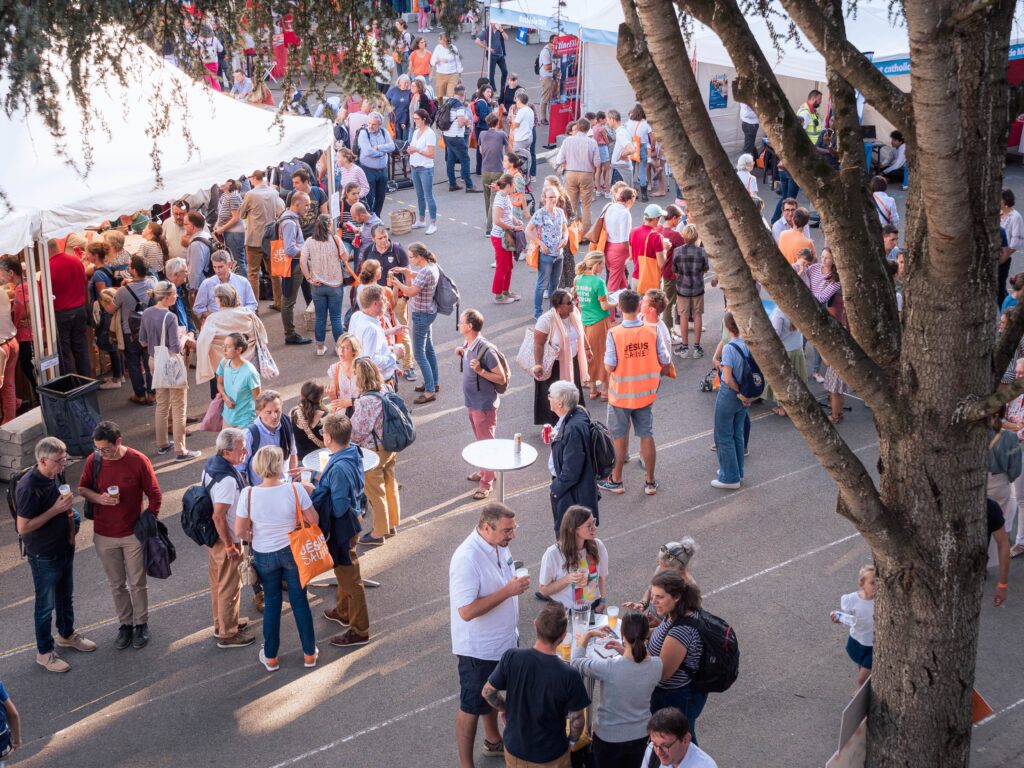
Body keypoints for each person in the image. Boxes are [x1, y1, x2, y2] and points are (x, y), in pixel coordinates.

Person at [449, 503, 528, 768]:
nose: (512, 535)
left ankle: (493, 740)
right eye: (507, 530)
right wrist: (508, 591)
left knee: (490, 694)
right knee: (471, 705)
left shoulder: (499, 545)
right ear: (486, 527)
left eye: (513, 529)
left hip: (505, 640)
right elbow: (467, 611)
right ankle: (466, 764)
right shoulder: (466, 558)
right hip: (479, 649)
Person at [78, 421, 162, 651]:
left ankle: (141, 624)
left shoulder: (137, 460)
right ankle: (125, 624)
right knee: (116, 584)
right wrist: (99, 498)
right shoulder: (93, 461)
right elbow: (82, 488)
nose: (100, 453)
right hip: (103, 534)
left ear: (119, 441)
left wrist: (148, 520)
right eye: (97, 448)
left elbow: (154, 494)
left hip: (132, 533)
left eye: (105, 448)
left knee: (137, 583)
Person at [16, 437, 97, 672]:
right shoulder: (29, 487)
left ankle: (67, 634)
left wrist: (72, 531)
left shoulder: (54, 475)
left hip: (63, 547)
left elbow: (64, 509)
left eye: (65, 459)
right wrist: (55, 510)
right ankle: (44, 652)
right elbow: (24, 527)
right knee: (45, 605)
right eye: (60, 460)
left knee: (65, 596)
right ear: (43, 460)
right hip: (44, 555)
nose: (64, 464)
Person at [234, 446, 318, 671]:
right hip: (292, 551)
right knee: (300, 602)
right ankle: (309, 653)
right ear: (279, 465)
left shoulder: (248, 494)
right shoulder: (295, 490)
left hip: (264, 555)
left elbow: (240, 530)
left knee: (272, 603)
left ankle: (271, 656)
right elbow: (314, 519)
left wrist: (257, 533)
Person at [482, 602, 590, 767]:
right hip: (550, 756)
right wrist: (572, 742)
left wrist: (504, 708)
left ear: (535, 624)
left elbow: (488, 692)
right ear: (562, 636)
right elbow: (577, 720)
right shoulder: (569, 675)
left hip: (514, 750)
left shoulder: (511, 657)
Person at [571, 610, 663, 768]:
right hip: (641, 735)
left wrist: (587, 635)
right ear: (647, 633)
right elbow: (637, 663)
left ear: (622, 634)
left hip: (608, 738)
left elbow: (576, 663)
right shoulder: (657, 665)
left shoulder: (609, 667)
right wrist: (623, 650)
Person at [600, 289, 670, 496]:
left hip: (621, 395)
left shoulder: (614, 333)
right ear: (639, 307)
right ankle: (650, 482)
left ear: (620, 309)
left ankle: (617, 480)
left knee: (619, 438)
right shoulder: (652, 330)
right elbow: (665, 360)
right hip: (645, 395)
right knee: (646, 436)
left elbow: (610, 366)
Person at [312, 412, 372, 648]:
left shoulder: (337, 468)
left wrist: (315, 489)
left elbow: (337, 508)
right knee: (343, 571)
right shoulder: (353, 451)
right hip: (355, 519)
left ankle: (360, 630)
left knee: (350, 579)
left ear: (328, 438)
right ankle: (344, 611)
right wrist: (317, 477)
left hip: (343, 528)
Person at [201, 428, 255, 648]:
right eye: (241, 449)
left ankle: (222, 623)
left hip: (211, 539)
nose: (246, 452)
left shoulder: (211, 466)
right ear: (226, 452)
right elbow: (219, 515)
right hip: (225, 541)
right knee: (229, 587)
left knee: (218, 584)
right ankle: (228, 634)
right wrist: (230, 546)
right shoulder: (227, 480)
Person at [138, 281, 200, 460]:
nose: (177, 296)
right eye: (174, 294)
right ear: (166, 297)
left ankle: (162, 444)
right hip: (171, 363)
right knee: (179, 406)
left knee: (162, 404)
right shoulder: (170, 317)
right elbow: (174, 347)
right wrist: (186, 337)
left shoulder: (147, 313)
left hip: (154, 360)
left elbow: (142, 341)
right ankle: (181, 450)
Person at [646, 571, 707, 741]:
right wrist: (648, 632)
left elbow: (662, 673)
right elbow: (663, 635)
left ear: (677, 597)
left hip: (672, 697)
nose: (653, 601)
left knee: (680, 742)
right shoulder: (675, 613)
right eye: (652, 595)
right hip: (672, 695)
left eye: (659, 596)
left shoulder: (681, 631)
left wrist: (630, 650)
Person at [349, 358, 401, 546]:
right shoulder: (386, 389)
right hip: (391, 445)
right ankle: (392, 523)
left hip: (373, 451)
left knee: (375, 491)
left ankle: (379, 532)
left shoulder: (365, 402)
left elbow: (357, 431)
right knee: (390, 485)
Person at [457, 309, 507, 501]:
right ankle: (484, 470)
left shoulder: (487, 350)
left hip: (484, 405)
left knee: (486, 444)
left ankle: (487, 482)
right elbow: (469, 354)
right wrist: (462, 352)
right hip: (473, 402)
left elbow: (500, 377)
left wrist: (480, 371)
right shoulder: (470, 344)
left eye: (461, 322)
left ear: (469, 327)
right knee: (480, 440)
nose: (459, 325)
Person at [547, 381, 600, 535]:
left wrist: (555, 489)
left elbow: (571, 470)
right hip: (576, 489)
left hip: (571, 493)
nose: (548, 398)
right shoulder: (577, 413)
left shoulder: (572, 429)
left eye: (550, 396)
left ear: (560, 403)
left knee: (568, 536)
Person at [533, 290, 590, 426]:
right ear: (558, 306)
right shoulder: (546, 320)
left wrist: (587, 348)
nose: (573, 304)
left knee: (572, 393)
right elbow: (538, 343)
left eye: (573, 300)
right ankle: (556, 427)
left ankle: (575, 422)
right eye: (569, 302)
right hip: (555, 366)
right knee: (557, 397)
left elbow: (580, 332)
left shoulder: (574, 313)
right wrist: (538, 365)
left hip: (572, 361)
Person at [392, 243, 441, 404]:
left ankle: (429, 391)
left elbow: (412, 291)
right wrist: (408, 272)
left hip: (421, 315)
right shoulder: (431, 267)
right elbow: (420, 279)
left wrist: (397, 283)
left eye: (411, 256)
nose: (410, 259)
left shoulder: (426, 271)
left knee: (419, 353)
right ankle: (433, 382)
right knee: (429, 349)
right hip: (429, 311)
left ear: (419, 256)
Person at [539, 505, 607, 608]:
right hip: (565, 611)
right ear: (574, 529)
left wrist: (602, 601)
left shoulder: (597, 545)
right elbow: (544, 589)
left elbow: (601, 576)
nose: (594, 528)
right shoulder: (553, 554)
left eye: (594, 522)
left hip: (593, 607)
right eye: (589, 525)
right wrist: (568, 579)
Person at [712, 312, 751, 489]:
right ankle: (737, 471)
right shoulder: (748, 344)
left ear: (729, 327)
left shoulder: (729, 348)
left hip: (730, 394)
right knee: (737, 433)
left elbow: (727, 378)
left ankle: (729, 477)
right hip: (744, 393)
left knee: (723, 435)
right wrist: (745, 395)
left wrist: (738, 392)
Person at [299, 214, 346, 356]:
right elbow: (345, 257)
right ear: (329, 225)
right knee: (336, 318)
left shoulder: (309, 241)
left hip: (317, 285)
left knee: (320, 317)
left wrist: (308, 278)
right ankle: (339, 348)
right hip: (335, 284)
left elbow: (302, 261)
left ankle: (320, 347)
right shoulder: (335, 239)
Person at [113, 256, 157, 406]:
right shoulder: (153, 283)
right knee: (149, 361)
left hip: (129, 331)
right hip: (149, 329)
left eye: (130, 266)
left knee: (133, 363)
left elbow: (111, 308)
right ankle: (152, 393)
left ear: (134, 271)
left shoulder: (123, 291)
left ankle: (139, 394)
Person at [239, 169, 285, 307]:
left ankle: (255, 306)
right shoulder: (274, 192)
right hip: (271, 237)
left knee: (253, 273)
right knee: (275, 273)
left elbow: (241, 214)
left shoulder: (250, 194)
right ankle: (279, 302)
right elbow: (279, 211)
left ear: (254, 178)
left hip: (254, 238)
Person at [48, 239, 93, 377]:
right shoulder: (75, 261)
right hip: (80, 309)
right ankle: (87, 380)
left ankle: (72, 385)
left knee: (64, 352)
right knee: (81, 348)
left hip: (62, 313)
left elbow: (46, 294)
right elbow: (84, 282)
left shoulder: (49, 267)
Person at [526, 187, 569, 319]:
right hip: (545, 255)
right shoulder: (540, 213)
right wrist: (541, 244)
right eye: (550, 197)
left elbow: (565, 229)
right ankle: (538, 313)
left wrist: (565, 238)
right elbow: (528, 230)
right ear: (544, 198)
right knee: (542, 285)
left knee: (554, 285)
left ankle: (552, 311)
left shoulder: (560, 212)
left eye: (555, 197)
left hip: (558, 254)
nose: (553, 200)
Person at [241, 390, 299, 487]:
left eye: (277, 411)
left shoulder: (287, 424)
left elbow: (293, 454)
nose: (274, 416)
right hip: (260, 491)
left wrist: (292, 481)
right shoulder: (249, 435)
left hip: (284, 485)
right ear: (258, 412)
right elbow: (240, 470)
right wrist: (250, 492)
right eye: (269, 412)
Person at [277, 191, 312, 345]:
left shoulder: (289, 217)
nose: (308, 208)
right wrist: (307, 252)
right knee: (288, 300)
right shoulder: (289, 222)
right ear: (296, 204)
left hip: (297, 264)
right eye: (306, 205)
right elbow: (290, 249)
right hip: (293, 265)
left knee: (307, 291)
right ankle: (290, 334)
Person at [348, 285, 403, 384]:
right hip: (380, 382)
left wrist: (390, 331)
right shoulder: (371, 329)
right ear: (375, 303)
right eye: (384, 299)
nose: (387, 302)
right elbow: (372, 361)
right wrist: (395, 355)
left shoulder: (356, 316)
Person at [575, 252, 611, 400]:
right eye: (602, 263)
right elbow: (604, 306)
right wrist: (616, 302)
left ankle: (592, 390)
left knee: (589, 356)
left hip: (584, 323)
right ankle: (604, 390)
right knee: (604, 354)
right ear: (596, 265)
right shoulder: (598, 282)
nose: (604, 266)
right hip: (600, 323)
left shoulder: (579, 280)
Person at [673, 225, 710, 359]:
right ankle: (697, 347)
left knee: (683, 316)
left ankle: (684, 346)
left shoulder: (677, 251)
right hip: (698, 288)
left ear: (684, 236)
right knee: (697, 315)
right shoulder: (702, 252)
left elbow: (675, 270)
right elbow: (705, 269)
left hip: (682, 288)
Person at [765, 303, 807, 417]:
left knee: (784, 381)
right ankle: (798, 402)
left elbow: (776, 334)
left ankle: (783, 408)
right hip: (797, 349)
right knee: (796, 378)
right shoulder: (797, 308)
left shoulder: (779, 312)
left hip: (785, 351)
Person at [642, 708, 718, 767]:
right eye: (655, 744)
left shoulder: (705, 766)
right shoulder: (652, 749)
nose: (658, 752)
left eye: (665, 746)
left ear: (685, 740)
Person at [193, 250, 258, 319]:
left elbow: (252, 304)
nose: (217, 271)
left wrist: (239, 314)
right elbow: (198, 308)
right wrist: (215, 317)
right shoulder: (207, 284)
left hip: (240, 323)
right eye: (214, 267)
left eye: (220, 267)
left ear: (229, 265)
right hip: (217, 325)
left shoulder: (243, 282)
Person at [488, 174, 523, 304]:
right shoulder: (500, 199)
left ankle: (505, 291)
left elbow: (507, 214)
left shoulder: (505, 196)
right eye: (513, 184)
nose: (515, 187)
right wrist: (513, 228)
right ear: (508, 185)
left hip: (506, 236)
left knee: (509, 265)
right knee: (502, 267)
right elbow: (497, 220)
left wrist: (515, 220)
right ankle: (499, 295)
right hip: (500, 237)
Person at [356, 111, 396, 217]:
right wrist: (382, 153)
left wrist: (378, 147)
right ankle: (368, 219)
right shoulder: (364, 133)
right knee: (369, 197)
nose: (370, 126)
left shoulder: (384, 132)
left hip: (382, 170)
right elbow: (367, 151)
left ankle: (376, 218)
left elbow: (392, 146)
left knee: (381, 197)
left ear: (379, 124)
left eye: (373, 124)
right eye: (369, 123)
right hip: (368, 170)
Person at [441, 85, 479, 194]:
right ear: (463, 95)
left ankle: (452, 183)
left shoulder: (449, 101)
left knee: (451, 159)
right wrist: (467, 122)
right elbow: (461, 122)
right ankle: (469, 185)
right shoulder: (459, 105)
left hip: (447, 134)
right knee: (465, 159)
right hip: (456, 136)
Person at [407, 108, 439, 234]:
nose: (415, 121)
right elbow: (413, 146)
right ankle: (421, 220)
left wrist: (417, 150)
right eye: (414, 119)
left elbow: (432, 154)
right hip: (415, 166)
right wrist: (410, 150)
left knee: (428, 196)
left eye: (417, 119)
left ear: (424, 119)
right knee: (419, 195)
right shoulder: (415, 132)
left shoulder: (430, 133)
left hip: (425, 168)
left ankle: (433, 223)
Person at [605, 187, 637, 292]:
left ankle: (626, 306)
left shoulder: (610, 207)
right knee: (613, 286)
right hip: (619, 251)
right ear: (630, 200)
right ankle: (610, 308)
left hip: (608, 247)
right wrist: (632, 252)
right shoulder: (625, 213)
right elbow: (624, 240)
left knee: (621, 282)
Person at [326, 332, 363, 416]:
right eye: (340, 347)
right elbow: (335, 401)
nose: (341, 351)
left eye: (346, 348)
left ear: (354, 351)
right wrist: (331, 395)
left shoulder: (363, 368)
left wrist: (349, 402)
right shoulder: (335, 369)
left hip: (361, 412)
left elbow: (371, 397)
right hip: (343, 414)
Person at [290, 381, 329, 455]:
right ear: (320, 397)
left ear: (301, 396)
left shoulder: (294, 413)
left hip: (299, 460)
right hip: (320, 459)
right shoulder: (326, 417)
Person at [475, 21, 508, 95]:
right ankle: (494, 90)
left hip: (500, 54)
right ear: (491, 23)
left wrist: (501, 30)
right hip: (492, 55)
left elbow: (506, 38)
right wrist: (487, 48)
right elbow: (477, 41)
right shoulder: (487, 31)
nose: (496, 24)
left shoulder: (500, 31)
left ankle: (502, 89)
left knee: (505, 71)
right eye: (494, 22)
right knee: (491, 74)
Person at [537, 34, 559, 125]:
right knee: (545, 97)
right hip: (547, 76)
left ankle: (552, 115)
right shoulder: (546, 51)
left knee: (554, 97)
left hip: (553, 76)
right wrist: (556, 65)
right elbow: (547, 67)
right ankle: (543, 118)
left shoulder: (554, 49)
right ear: (551, 43)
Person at [386, 74, 413, 140]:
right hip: (395, 118)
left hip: (406, 120)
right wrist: (390, 110)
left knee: (405, 139)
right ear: (399, 82)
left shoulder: (411, 92)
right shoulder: (394, 90)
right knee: (395, 138)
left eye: (408, 82)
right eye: (405, 83)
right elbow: (385, 99)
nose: (407, 84)